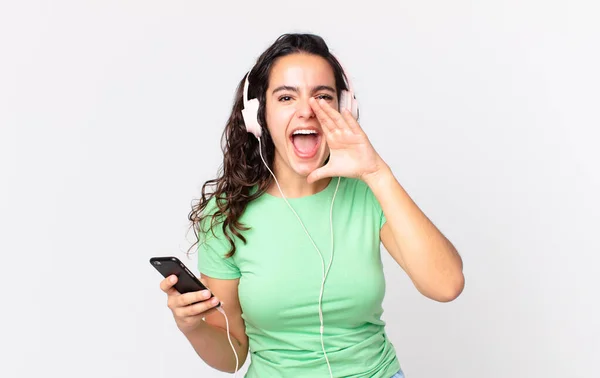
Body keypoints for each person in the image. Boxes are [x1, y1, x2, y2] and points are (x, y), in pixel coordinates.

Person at [158, 33, 465, 378]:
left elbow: (446, 285)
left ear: (343, 109)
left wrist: (377, 173)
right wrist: (192, 326)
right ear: (258, 116)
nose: (306, 111)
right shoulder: (227, 213)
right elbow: (231, 358)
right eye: (286, 96)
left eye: (322, 96)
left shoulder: (368, 192)